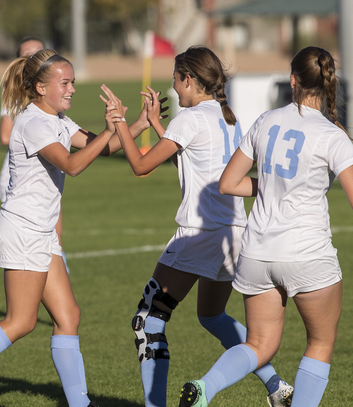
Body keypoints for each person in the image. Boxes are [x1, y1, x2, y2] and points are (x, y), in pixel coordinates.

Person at [0, 48, 150, 407]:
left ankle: (80, 403)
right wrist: (110, 130)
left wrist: (136, 124)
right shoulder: (32, 122)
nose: (73, 88)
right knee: (21, 321)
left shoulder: (58, 119)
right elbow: (73, 165)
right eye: (66, 82)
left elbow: (99, 147)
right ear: (41, 88)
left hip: (41, 232)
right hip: (23, 229)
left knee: (68, 315)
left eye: (73, 81)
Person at [107, 46, 292, 407]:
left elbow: (140, 166)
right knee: (211, 315)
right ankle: (276, 386)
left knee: (148, 320)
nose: (174, 88)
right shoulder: (227, 117)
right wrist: (159, 125)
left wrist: (118, 122)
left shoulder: (189, 119)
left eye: (176, 80)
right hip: (235, 233)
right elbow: (194, 165)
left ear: (189, 79)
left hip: (199, 235)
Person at [177, 46, 353, 407]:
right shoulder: (333, 135)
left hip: (256, 253)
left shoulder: (265, 121)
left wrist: (271, 186)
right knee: (319, 344)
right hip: (307, 253)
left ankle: (205, 387)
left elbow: (228, 183)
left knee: (258, 344)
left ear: (292, 80)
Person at [0, 36, 73, 310]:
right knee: (20, 319)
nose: (33, 56)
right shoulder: (22, 103)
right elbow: (6, 136)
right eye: (27, 53)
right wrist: (36, 134)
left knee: (55, 236)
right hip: (22, 175)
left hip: (48, 173)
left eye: (37, 52)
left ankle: (56, 286)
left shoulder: (55, 112)